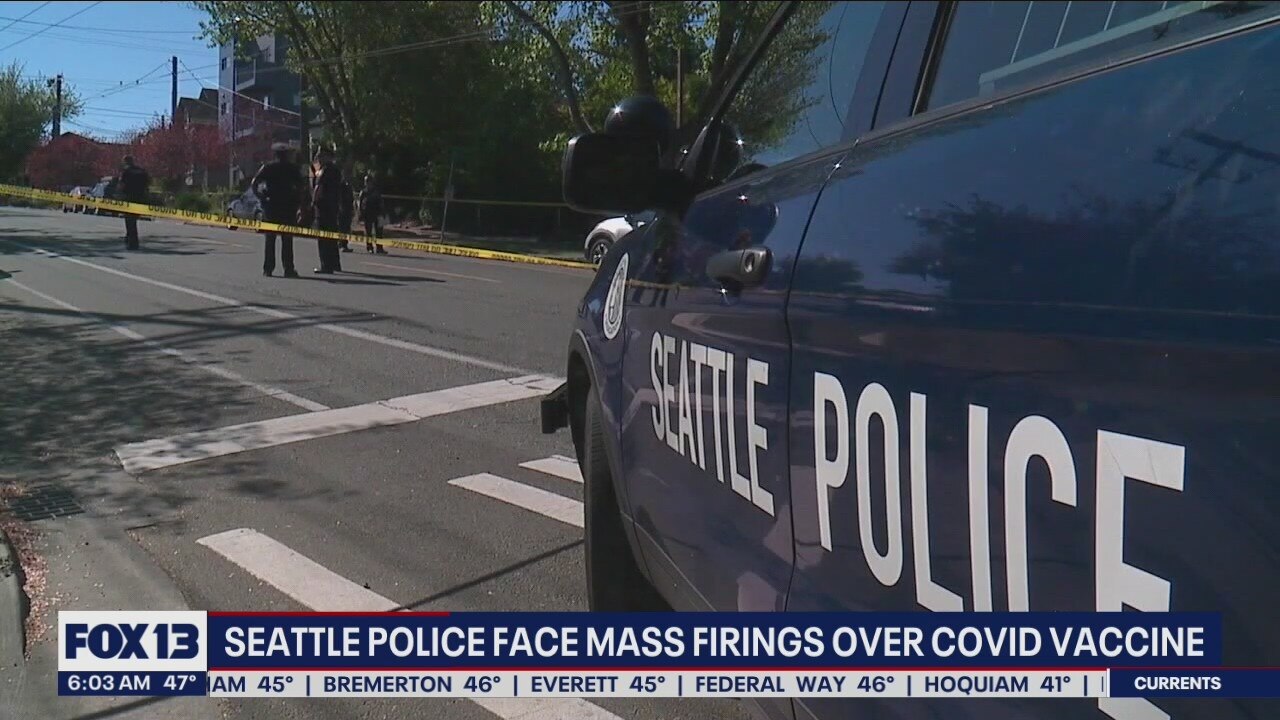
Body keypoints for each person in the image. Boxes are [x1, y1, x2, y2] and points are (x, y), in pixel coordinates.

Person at [250, 143, 305, 277]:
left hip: (271, 206)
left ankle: (268, 268)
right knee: (287, 240)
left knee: (270, 239)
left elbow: (254, 183)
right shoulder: (293, 168)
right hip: (288, 207)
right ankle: (288, 268)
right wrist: (298, 202)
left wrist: (261, 197)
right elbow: (301, 187)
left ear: (275, 155)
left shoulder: (268, 167)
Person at [311, 146, 344, 274]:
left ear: (327, 156)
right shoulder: (335, 170)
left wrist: (313, 202)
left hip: (324, 208)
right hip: (332, 207)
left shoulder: (325, 170)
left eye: (321, 156)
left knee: (323, 238)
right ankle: (335, 264)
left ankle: (326, 265)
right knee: (332, 237)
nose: (319, 158)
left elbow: (318, 188)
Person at [117, 155, 150, 250]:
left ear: (125, 162)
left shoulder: (126, 171)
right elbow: (147, 184)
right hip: (139, 199)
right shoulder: (141, 171)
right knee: (133, 220)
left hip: (129, 198)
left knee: (129, 221)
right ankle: (129, 238)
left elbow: (121, 184)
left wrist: (119, 195)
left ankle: (132, 242)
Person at [358, 172, 387, 254]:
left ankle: (379, 248)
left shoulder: (376, 191)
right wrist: (360, 213)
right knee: (368, 232)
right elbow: (360, 204)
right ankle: (369, 247)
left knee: (379, 232)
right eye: (366, 181)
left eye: (368, 181)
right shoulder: (363, 192)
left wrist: (383, 213)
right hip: (367, 214)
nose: (367, 183)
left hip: (377, 213)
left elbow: (381, 202)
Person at [338, 174, 355, 252]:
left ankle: (343, 243)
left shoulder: (349, 187)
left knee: (347, 228)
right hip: (342, 210)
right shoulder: (340, 186)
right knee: (342, 228)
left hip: (348, 210)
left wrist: (352, 209)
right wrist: (340, 207)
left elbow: (351, 199)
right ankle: (342, 244)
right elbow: (339, 198)